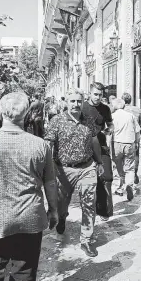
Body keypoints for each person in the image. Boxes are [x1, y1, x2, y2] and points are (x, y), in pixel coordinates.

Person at [0, 92, 58, 281]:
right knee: (24, 270)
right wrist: (53, 210)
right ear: (26, 114)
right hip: (29, 218)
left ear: (1, 113)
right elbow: (50, 183)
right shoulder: (40, 145)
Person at [44, 88, 105, 257]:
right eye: (72, 101)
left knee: (89, 204)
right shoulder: (57, 121)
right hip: (64, 170)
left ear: (83, 102)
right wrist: (47, 168)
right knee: (61, 203)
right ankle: (62, 217)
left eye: (79, 101)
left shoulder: (89, 120)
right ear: (67, 102)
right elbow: (48, 145)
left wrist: (99, 162)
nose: (76, 104)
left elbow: (94, 142)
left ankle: (86, 239)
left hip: (87, 167)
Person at [81, 82, 114, 221]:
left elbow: (110, 124)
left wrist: (109, 129)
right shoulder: (82, 107)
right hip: (85, 147)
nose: (98, 97)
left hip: (101, 146)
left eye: (100, 95)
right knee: (87, 181)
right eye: (95, 94)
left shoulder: (105, 109)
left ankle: (105, 210)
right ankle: (88, 212)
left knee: (106, 177)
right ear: (90, 93)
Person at [111, 98, 140, 201]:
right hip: (129, 143)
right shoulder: (130, 116)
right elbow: (137, 131)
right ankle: (129, 185)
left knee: (117, 166)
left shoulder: (112, 116)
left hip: (117, 144)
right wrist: (136, 142)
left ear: (114, 106)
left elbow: (108, 132)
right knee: (130, 167)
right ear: (123, 106)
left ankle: (119, 187)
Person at [122, 92, 141, 185]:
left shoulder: (120, 110)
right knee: (136, 155)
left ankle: (124, 175)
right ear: (130, 100)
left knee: (123, 157)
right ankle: (134, 173)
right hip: (134, 136)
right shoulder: (137, 110)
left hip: (123, 137)